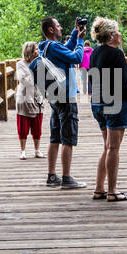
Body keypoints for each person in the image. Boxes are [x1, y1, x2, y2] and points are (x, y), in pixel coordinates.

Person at [39, 15, 86, 188]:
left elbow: (66, 50)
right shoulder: (54, 46)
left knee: (55, 137)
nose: (60, 28)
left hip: (55, 96)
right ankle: (67, 178)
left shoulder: (46, 47)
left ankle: (52, 176)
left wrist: (75, 33)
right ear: (51, 30)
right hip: (66, 97)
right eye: (58, 26)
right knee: (68, 138)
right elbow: (76, 58)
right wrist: (80, 41)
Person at [88, 17, 127, 201]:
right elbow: (124, 77)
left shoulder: (95, 52)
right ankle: (112, 191)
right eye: (118, 31)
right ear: (112, 35)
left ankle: (99, 188)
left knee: (107, 147)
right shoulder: (116, 54)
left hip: (98, 103)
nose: (120, 34)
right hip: (114, 104)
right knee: (113, 148)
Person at [14, 40, 47, 160]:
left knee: (37, 126)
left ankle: (37, 150)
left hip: (37, 96)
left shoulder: (41, 62)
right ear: (30, 51)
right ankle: (23, 151)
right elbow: (23, 79)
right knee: (23, 126)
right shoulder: (20, 64)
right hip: (24, 98)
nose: (38, 51)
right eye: (36, 49)